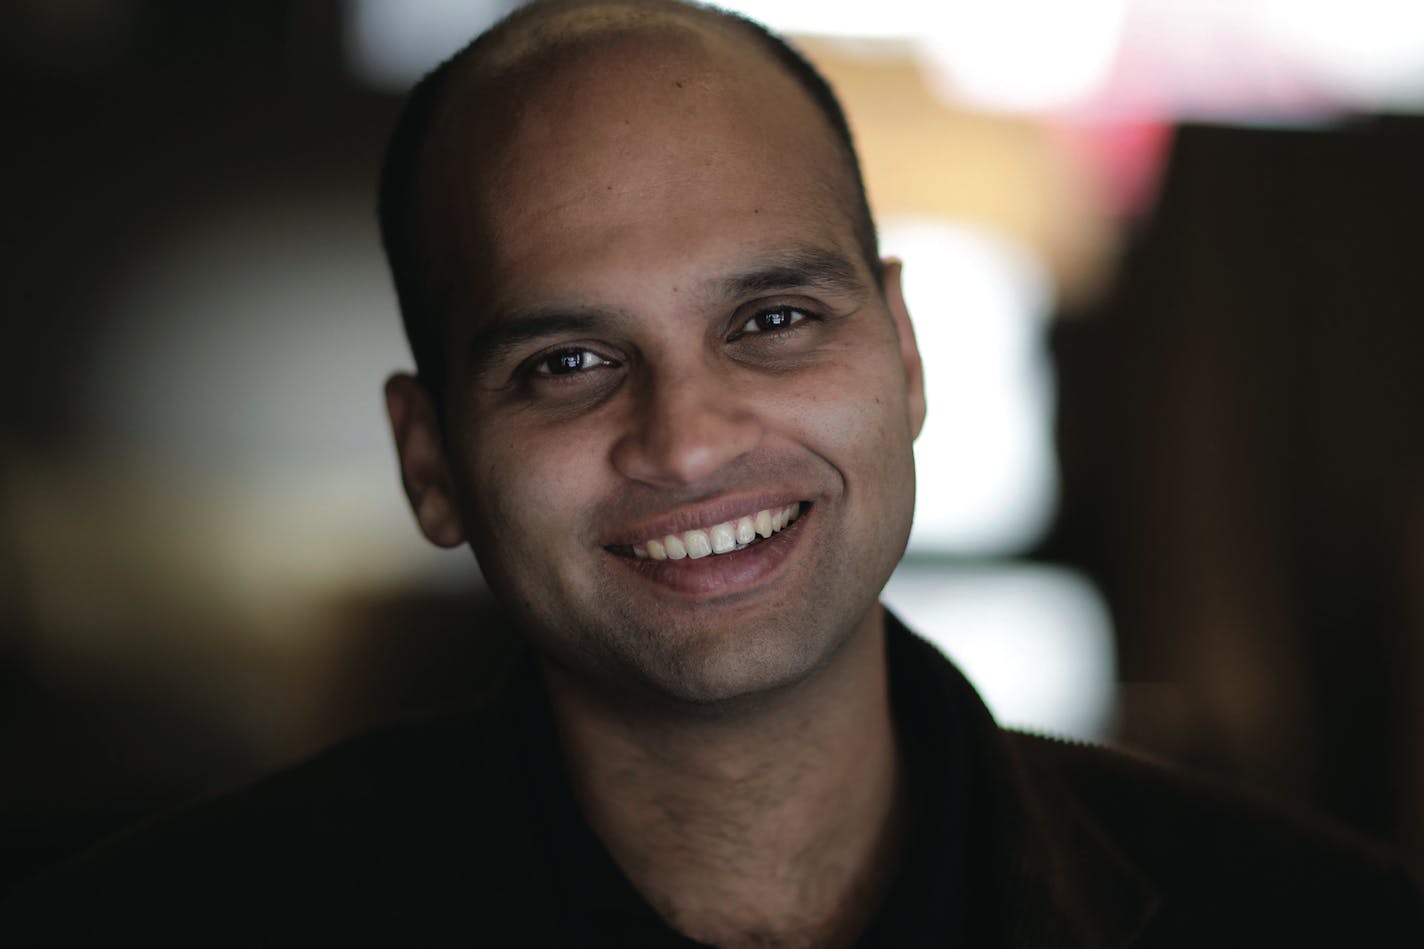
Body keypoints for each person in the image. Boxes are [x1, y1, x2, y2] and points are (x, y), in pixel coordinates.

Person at [4, 0, 1422, 944]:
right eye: (566, 362)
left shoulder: (1317, 923)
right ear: (429, 461)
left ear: (909, 356)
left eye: (772, 321)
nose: (685, 437)